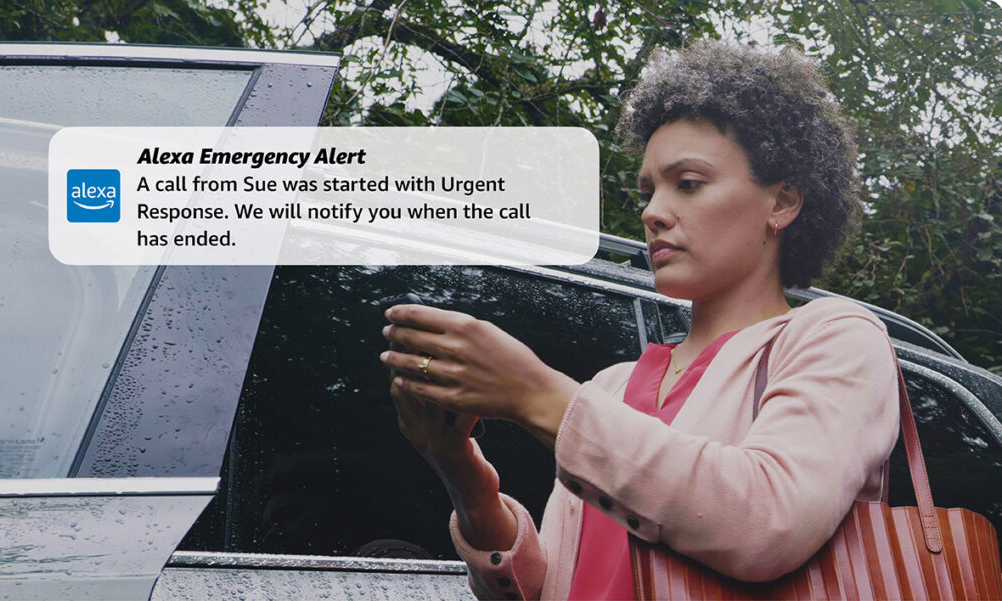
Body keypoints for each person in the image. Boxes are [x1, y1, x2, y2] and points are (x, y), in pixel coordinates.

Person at [379, 39, 900, 600]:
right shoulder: (613, 386)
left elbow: (767, 524)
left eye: (689, 184)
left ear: (782, 202)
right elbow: (559, 586)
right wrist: (464, 477)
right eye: (648, 190)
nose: (652, 212)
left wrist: (539, 395)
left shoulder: (834, 337)